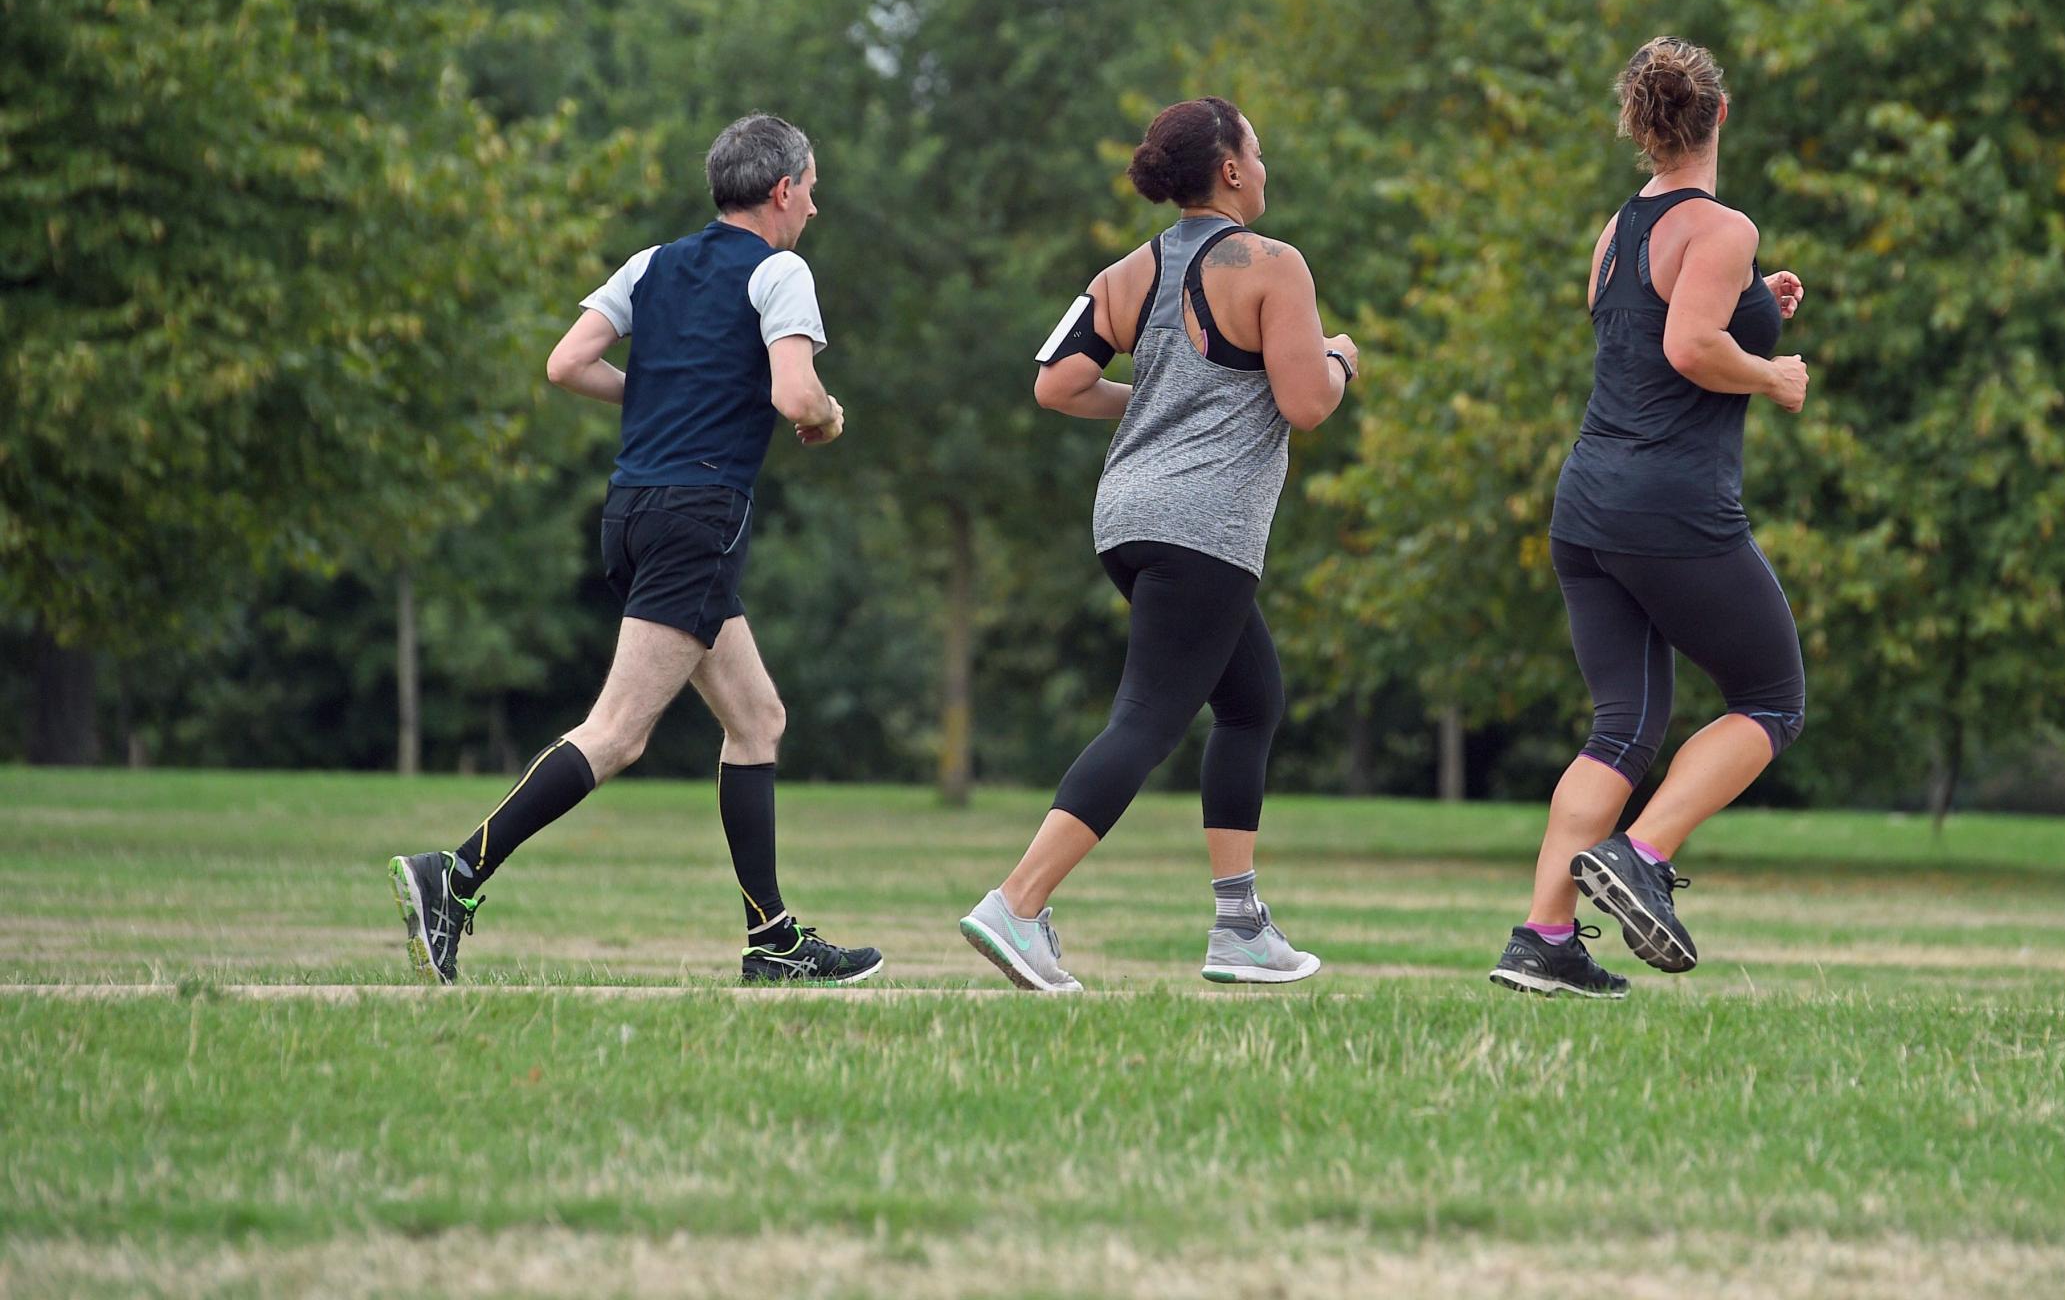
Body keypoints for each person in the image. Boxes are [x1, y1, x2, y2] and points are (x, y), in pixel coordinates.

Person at [388, 113, 884, 987]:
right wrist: (831, 417)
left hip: (631, 513)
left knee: (757, 718)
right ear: (782, 190)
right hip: (700, 516)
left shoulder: (651, 263)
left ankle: (771, 940)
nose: (815, 203)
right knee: (617, 734)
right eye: (812, 185)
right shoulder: (782, 269)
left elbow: (567, 363)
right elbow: (797, 395)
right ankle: (453, 877)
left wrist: (663, 397)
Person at [959, 97, 1359, 992]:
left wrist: (1148, 402)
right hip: (1204, 527)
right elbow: (1307, 404)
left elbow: (1056, 385)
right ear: (1229, 168)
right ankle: (1017, 904)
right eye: (1257, 148)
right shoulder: (1273, 264)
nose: (1263, 165)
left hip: (1127, 519)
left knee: (1253, 700)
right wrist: (1340, 355)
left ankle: (1239, 923)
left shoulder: (1124, 272)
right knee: (1147, 720)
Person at [1489, 38, 1809, 999]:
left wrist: (1763, 301)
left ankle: (1545, 937)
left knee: (1623, 724)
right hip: (1670, 506)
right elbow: (1689, 344)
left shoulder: (1618, 230)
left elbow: (1657, 323)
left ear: (1641, 126)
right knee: (1771, 697)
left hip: (1586, 504)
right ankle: (1643, 856)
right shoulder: (1722, 226)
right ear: (1720, 113)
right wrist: (1773, 373)